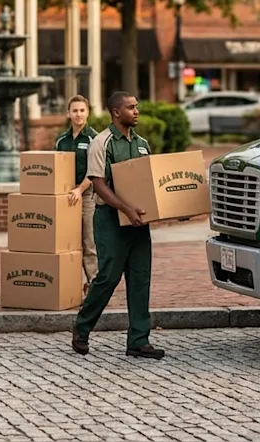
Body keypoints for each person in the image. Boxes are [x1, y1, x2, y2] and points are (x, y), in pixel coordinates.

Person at [70, 91, 164, 360]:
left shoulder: (143, 144)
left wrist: (170, 207)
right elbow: (98, 182)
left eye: (137, 106)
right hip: (110, 219)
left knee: (140, 278)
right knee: (108, 277)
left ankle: (138, 340)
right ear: (116, 112)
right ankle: (82, 327)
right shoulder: (102, 142)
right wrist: (125, 209)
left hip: (138, 221)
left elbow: (149, 183)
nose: (136, 111)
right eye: (131, 107)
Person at [54, 95, 99, 289]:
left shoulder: (93, 139)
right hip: (65, 198)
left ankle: (93, 286)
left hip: (87, 196)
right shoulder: (61, 141)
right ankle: (70, 287)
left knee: (89, 244)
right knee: (67, 245)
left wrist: (80, 190)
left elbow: (96, 170)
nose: (78, 114)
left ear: (87, 112)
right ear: (68, 113)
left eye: (82, 110)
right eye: (75, 111)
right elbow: (55, 169)